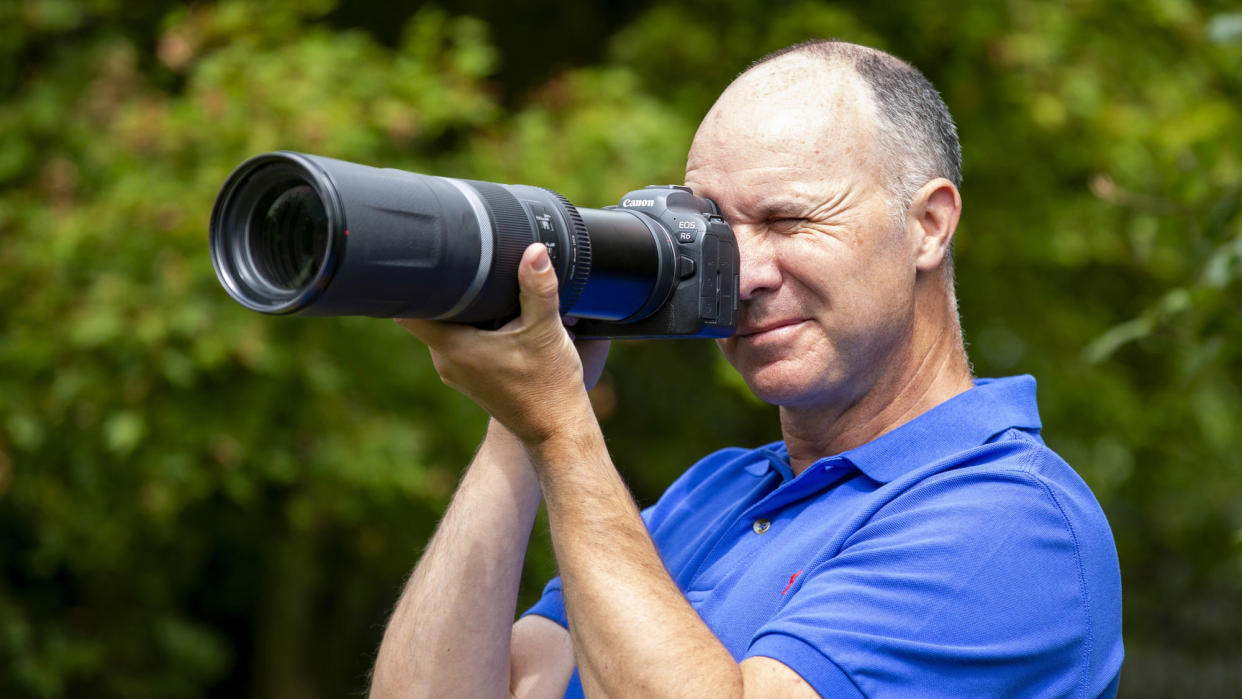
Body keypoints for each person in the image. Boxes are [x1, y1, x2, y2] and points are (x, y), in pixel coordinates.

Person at [369, 40, 1124, 698]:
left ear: (927, 225)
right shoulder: (714, 494)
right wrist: (522, 414)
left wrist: (562, 427)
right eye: (717, 233)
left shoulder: (1010, 519)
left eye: (787, 220)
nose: (746, 274)